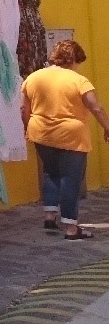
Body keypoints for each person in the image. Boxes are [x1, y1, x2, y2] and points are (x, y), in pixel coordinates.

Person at [21, 39, 109, 239]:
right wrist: (107, 127)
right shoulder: (78, 80)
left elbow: (23, 108)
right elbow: (96, 107)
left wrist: (28, 127)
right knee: (71, 179)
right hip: (71, 136)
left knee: (50, 172)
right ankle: (71, 227)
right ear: (73, 59)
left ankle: (50, 216)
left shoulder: (33, 78)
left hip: (41, 133)